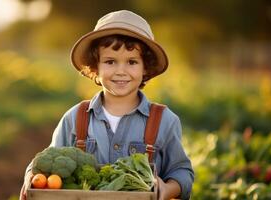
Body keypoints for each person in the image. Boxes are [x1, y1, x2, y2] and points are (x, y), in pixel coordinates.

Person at [19, 10, 194, 200]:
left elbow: (181, 171)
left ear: (146, 67)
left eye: (132, 62)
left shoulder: (164, 120)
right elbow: (45, 162)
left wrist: (168, 189)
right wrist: (31, 175)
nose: (121, 71)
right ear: (96, 67)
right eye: (110, 61)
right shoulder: (75, 117)